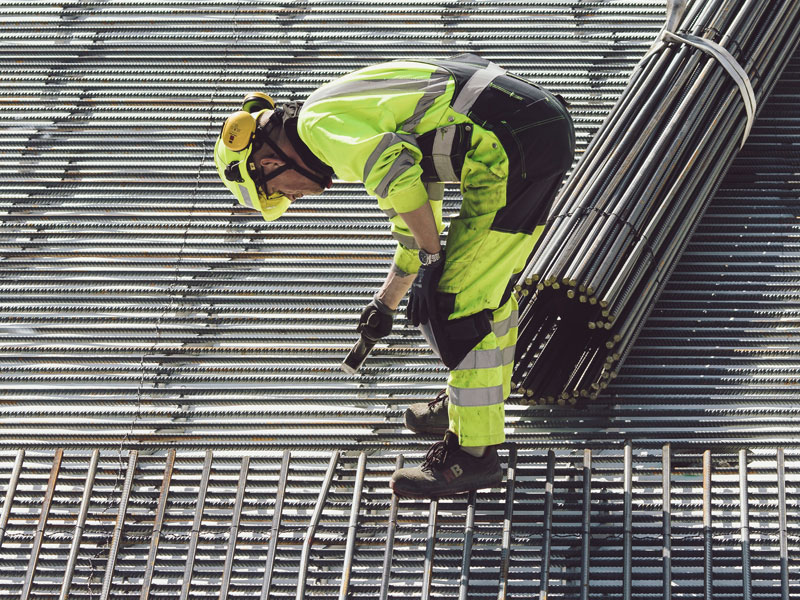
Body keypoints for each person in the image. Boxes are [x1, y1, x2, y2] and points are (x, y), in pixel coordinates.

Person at [213, 54, 575, 498]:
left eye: (278, 192)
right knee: (484, 293)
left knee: (459, 303)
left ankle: (472, 456)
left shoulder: (319, 129)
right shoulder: (337, 116)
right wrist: (386, 301)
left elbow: (399, 183)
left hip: (514, 144)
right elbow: (415, 210)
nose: (294, 197)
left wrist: (432, 261)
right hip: (526, 135)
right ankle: (469, 409)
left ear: (268, 163)